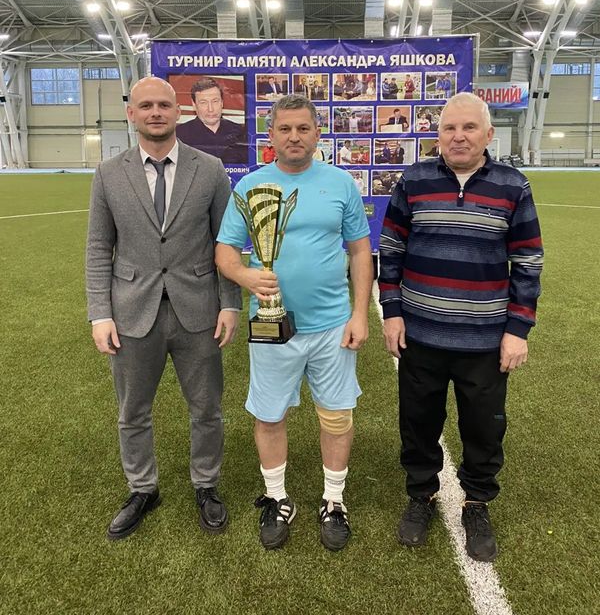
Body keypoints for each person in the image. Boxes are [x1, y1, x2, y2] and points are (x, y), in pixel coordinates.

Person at [378, 92, 543, 563]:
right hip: (420, 334)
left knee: (483, 428)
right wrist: (392, 311)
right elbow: (391, 249)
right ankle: (421, 495)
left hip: (485, 340)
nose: (458, 136)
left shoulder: (513, 186)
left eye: (469, 128)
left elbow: (528, 260)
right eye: (449, 128)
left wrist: (517, 329)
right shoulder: (413, 180)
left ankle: (476, 503)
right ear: (438, 134)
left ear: (488, 134)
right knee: (418, 422)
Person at [215, 95, 373, 552]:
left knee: (337, 416)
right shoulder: (251, 186)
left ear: (317, 133)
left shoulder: (340, 183)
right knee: (269, 415)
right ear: (271, 135)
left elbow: (360, 250)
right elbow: (225, 249)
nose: (294, 137)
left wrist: (360, 313)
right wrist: (245, 275)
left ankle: (334, 500)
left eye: (303, 128)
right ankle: (277, 497)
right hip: (271, 326)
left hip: (332, 324)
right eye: (285, 129)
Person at [86, 76, 241, 541]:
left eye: (164, 105)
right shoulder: (108, 174)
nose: (155, 112)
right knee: (132, 411)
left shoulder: (210, 169)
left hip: (199, 310)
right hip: (132, 312)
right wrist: (100, 313)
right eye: (146, 105)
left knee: (207, 409)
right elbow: (99, 247)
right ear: (131, 113)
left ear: (178, 112)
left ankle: (206, 484)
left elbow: (226, 242)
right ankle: (142, 488)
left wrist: (230, 304)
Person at [176, 78, 247, 164]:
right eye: (203, 102)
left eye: (215, 101)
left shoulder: (240, 132)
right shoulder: (179, 135)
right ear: (194, 105)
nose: (210, 109)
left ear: (222, 103)